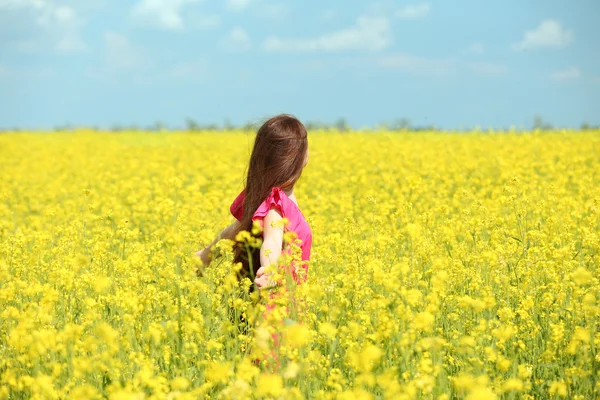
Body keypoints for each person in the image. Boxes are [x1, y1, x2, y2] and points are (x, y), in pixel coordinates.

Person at [195, 114, 312, 292]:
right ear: (296, 158)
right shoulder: (276, 205)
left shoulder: (271, 199)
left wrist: (204, 256)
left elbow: (235, 231)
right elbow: (272, 241)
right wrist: (269, 270)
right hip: (277, 309)